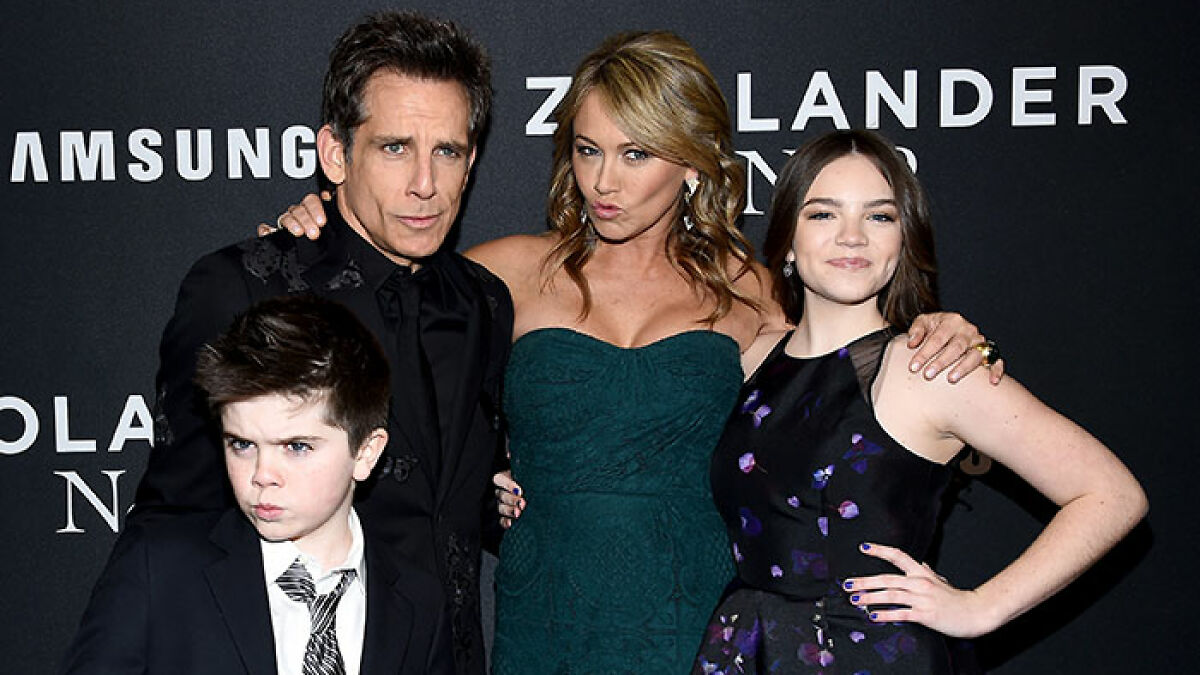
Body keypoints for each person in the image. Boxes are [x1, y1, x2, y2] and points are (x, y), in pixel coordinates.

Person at [277, 32, 996, 673]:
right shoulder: (512, 271)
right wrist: (319, 222)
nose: (604, 182)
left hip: (697, 618)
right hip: (545, 616)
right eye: (587, 150)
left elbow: (850, 394)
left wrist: (942, 336)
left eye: (636, 153)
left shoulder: (744, 286)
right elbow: (375, 300)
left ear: (691, 165)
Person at [128, 12, 510, 674]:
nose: (426, 183)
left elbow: (450, 497)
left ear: (471, 159)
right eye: (395, 147)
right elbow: (170, 518)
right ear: (336, 154)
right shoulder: (246, 289)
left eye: (446, 151)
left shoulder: (485, 302)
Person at [690, 130, 1147, 674]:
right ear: (787, 237)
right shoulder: (753, 357)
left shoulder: (930, 367)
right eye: (823, 215)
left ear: (903, 240)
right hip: (748, 649)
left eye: (879, 217)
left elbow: (1111, 495)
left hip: (873, 657)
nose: (852, 237)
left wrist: (982, 607)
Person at [61, 295, 453, 675]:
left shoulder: (419, 602)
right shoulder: (159, 568)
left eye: (296, 447)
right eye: (242, 444)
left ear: (366, 453)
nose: (262, 474)